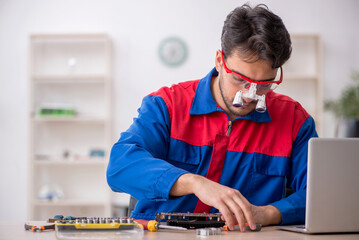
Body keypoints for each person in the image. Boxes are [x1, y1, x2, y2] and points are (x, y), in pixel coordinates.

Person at [107, 4, 317, 231]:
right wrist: (193, 182)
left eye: (263, 85)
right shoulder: (167, 105)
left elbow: (320, 195)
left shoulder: (295, 121)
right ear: (219, 61)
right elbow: (120, 166)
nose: (249, 95)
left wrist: (267, 213)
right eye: (240, 79)